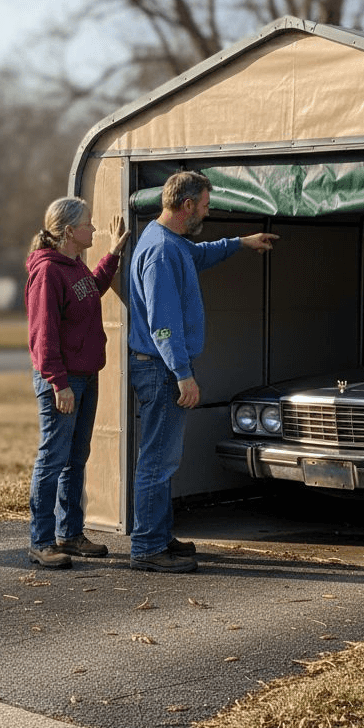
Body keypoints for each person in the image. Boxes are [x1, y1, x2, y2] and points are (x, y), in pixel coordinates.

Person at [127, 171, 278, 572]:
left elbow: (202, 254)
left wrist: (241, 244)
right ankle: (146, 548)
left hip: (162, 368)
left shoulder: (172, 243)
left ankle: (158, 536)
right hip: (161, 371)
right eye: (206, 205)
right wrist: (182, 373)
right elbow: (162, 323)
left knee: (163, 459)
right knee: (157, 461)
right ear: (187, 205)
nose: (208, 213)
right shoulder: (160, 252)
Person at [25, 196, 129, 569]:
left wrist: (113, 254)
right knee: (53, 459)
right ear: (69, 231)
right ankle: (41, 541)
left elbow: (91, 292)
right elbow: (43, 335)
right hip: (64, 381)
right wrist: (58, 382)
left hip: (86, 376)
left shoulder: (74, 267)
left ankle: (70, 534)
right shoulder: (49, 272)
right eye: (88, 224)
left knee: (75, 458)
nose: (94, 229)